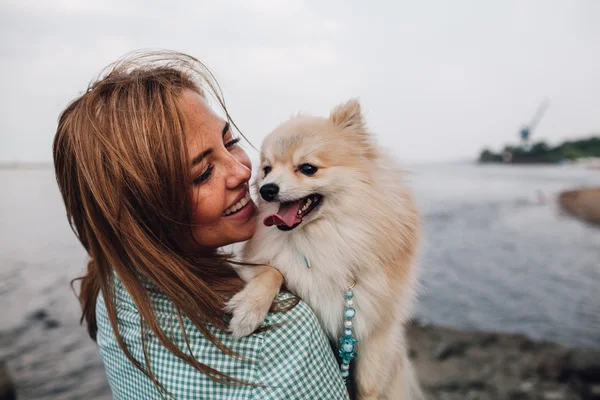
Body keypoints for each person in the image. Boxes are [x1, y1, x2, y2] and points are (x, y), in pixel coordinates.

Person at [52, 50, 349, 400]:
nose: (243, 172)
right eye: (203, 173)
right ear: (143, 214)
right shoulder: (281, 335)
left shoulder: (110, 286)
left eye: (230, 142)